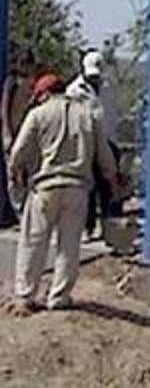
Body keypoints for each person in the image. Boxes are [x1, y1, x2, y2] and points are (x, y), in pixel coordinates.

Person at [8, 74, 120, 314]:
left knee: (33, 242)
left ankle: (25, 297)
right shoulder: (88, 115)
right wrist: (113, 182)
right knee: (68, 246)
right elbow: (105, 157)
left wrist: (15, 174)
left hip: (45, 187)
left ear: (44, 94)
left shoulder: (38, 114)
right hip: (78, 188)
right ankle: (59, 297)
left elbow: (18, 152)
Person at [66, 50, 121, 239]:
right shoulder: (74, 90)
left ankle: (108, 227)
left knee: (108, 188)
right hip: (86, 143)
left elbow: (111, 114)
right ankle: (87, 227)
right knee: (87, 188)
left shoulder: (108, 88)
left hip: (108, 141)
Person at [0, 50, 37, 227]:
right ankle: (18, 210)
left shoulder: (32, 83)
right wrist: (7, 132)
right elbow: (4, 108)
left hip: (28, 135)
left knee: (28, 173)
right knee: (13, 174)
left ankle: (27, 211)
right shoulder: (12, 82)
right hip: (13, 134)